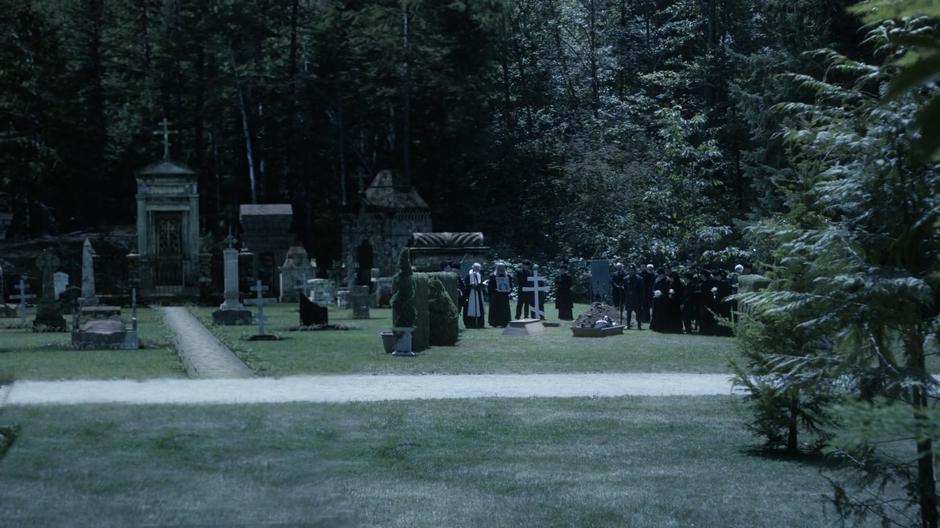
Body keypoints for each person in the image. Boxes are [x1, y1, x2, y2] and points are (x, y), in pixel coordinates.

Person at [486, 263, 513, 327]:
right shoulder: (492, 276)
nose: (501, 269)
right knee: (495, 309)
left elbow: (511, 286)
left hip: (504, 296)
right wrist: (495, 290)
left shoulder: (508, 276)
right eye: (499, 267)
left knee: (504, 309)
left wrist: (509, 289)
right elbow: (490, 287)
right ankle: (494, 323)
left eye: (502, 267)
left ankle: (505, 323)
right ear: (497, 268)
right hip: (496, 296)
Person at [464, 263, 485, 329]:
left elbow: (481, 283)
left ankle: (480, 324)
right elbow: (466, 285)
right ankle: (470, 324)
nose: (477, 269)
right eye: (476, 267)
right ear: (472, 267)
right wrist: (471, 285)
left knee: (480, 308)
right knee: (470, 308)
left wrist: (482, 285)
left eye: (478, 268)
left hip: (478, 294)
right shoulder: (468, 275)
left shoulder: (479, 275)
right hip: (470, 295)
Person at [624, 265, 644, 330]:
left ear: (635, 270)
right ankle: (628, 326)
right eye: (630, 269)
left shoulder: (639, 279)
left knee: (638, 313)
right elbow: (625, 289)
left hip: (637, 299)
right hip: (629, 299)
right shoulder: (625, 278)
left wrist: (641, 300)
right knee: (628, 313)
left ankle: (639, 326)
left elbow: (642, 290)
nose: (631, 271)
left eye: (632, 270)